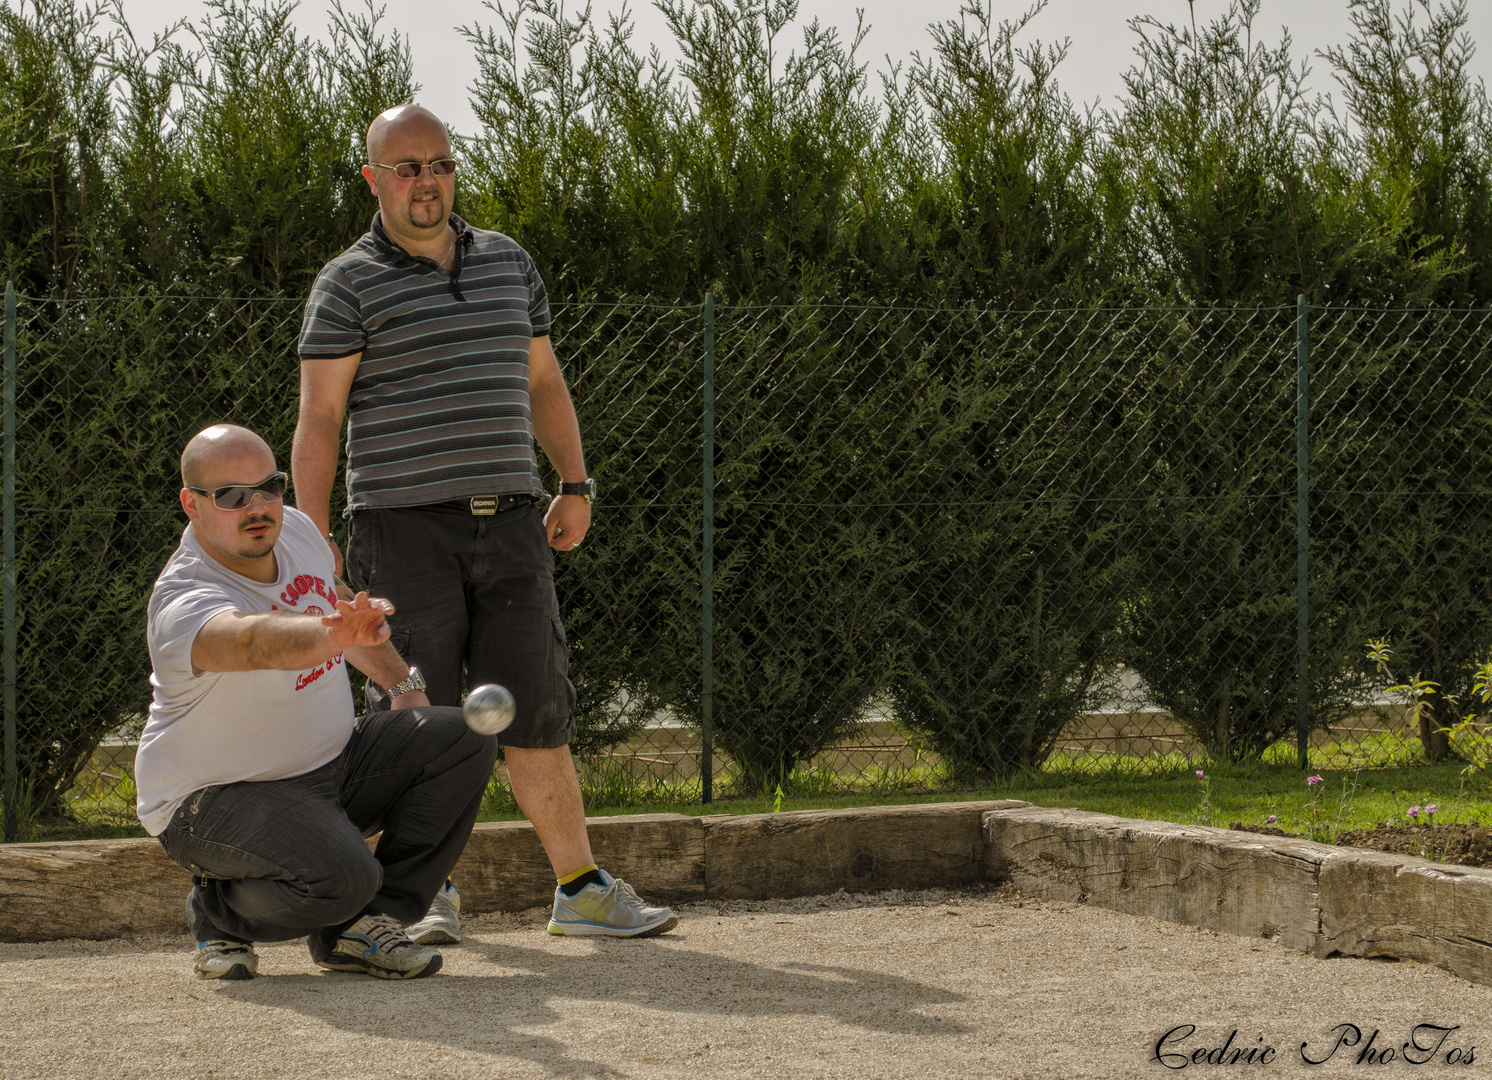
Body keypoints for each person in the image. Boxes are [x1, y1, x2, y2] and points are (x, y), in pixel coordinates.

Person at [291, 103, 677, 940]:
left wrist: (575, 483)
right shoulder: (347, 282)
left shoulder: (509, 262)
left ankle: (580, 890)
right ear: (374, 179)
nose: (426, 181)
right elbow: (320, 416)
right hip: (400, 527)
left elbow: (543, 380)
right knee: (417, 713)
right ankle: (425, 897)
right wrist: (310, 533)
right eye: (406, 167)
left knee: (534, 707)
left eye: (439, 163)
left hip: (512, 523)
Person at [136, 424, 498, 980]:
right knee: (344, 875)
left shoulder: (298, 531)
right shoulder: (184, 599)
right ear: (192, 504)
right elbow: (253, 642)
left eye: (270, 486)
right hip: (211, 801)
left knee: (461, 736)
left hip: (329, 765)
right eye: (232, 495)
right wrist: (328, 636)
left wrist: (405, 689)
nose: (257, 507)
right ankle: (218, 911)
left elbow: (339, 613)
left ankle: (360, 929)